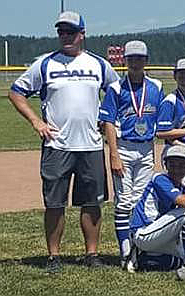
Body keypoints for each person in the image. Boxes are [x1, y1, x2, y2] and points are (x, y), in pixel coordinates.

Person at [8, 11, 119, 273]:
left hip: (91, 145)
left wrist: (107, 120)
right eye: (61, 32)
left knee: (92, 203)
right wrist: (37, 122)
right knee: (55, 203)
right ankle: (53, 257)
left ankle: (92, 254)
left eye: (70, 32)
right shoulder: (46, 64)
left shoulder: (99, 65)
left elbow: (116, 95)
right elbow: (16, 92)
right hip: (57, 146)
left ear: (82, 34)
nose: (65, 37)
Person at [99, 40, 164, 267]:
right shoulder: (116, 88)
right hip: (124, 147)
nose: (136, 62)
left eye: (140, 58)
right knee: (124, 202)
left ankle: (139, 248)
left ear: (146, 61)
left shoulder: (156, 86)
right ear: (125, 61)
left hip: (146, 148)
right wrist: (113, 154)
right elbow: (107, 122)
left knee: (140, 200)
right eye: (132, 58)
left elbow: (161, 120)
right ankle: (125, 250)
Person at [126, 144, 185, 273]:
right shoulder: (160, 178)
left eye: (181, 165)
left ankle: (142, 259)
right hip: (143, 233)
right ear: (165, 165)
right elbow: (181, 201)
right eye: (172, 165)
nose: (176, 169)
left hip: (160, 234)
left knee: (181, 258)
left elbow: (184, 219)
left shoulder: (183, 188)